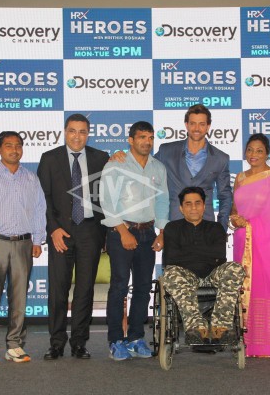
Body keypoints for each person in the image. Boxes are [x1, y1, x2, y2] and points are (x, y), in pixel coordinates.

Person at [37, 114, 109, 360]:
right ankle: (56, 342)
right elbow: (43, 198)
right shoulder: (50, 158)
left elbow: (108, 196)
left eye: (82, 131)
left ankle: (79, 342)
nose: (77, 136)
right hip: (61, 232)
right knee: (58, 289)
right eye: (72, 131)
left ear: (88, 133)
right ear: (64, 132)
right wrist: (53, 229)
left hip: (90, 230)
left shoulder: (101, 158)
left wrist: (105, 232)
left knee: (85, 289)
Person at [0, 131, 46, 365]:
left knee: (19, 299)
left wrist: (37, 240)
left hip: (24, 244)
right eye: (8, 145)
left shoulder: (31, 179)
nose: (14, 150)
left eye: (18, 145)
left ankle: (15, 345)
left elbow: (39, 210)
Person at [99, 121, 169, 361]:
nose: (147, 142)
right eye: (141, 137)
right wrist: (123, 231)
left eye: (150, 137)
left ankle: (136, 337)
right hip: (121, 231)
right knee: (119, 286)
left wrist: (162, 232)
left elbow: (163, 200)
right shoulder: (116, 164)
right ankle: (116, 340)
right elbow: (107, 201)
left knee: (143, 287)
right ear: (130, 140)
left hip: (148, 233)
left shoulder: (158, 167)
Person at [111, 104, 232, 230]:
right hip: (173, 223)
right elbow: (144, 165)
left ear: (208, 126)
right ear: (186, 125)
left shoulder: (220, 158)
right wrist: (124, 156)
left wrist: (221, 228)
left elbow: (225, 196)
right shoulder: (166, 151)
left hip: (206, 226)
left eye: (201, 124)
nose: (197, 128)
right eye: (193, 123)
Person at [231, 133, 270, 357]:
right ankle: (246, 341)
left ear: (267, 153)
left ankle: (269, 343)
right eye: (250, 150)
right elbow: (235, 211)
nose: (253, 154)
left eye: (259, 150)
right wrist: (235, 219)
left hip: (266, 244)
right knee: (244, 288)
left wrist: (251, 224)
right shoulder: (240, 177)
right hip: (242, 241)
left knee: (266, 287)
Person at [162, 187, 245, 344]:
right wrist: (205, 253)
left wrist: (187, 252)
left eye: (197, 203)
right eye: (188, 204)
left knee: (235, 268)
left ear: (204, 206)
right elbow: (172, 259)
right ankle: (197, 328)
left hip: (212, 275)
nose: (193, 207)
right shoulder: (172, 228)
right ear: (181, 208)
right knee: (171, 273)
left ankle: (220, 327)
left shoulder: (216, 228)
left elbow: (219, 256)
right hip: (184, 276)